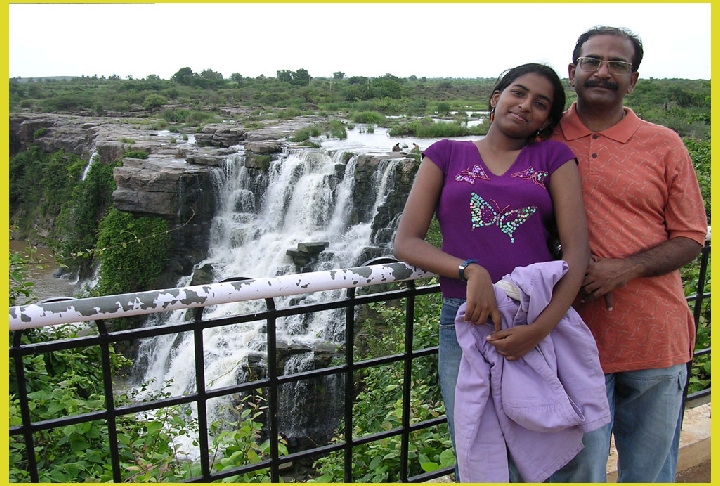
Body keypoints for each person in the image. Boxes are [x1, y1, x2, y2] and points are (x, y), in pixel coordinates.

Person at [393, 63, 590, 481]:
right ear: (495, 97)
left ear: (547, 121)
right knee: (475, 445)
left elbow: (577, 252)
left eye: (541, 104)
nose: (525, 106)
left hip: (534, 318)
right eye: (518, 93)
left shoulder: (553, 157)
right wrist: (470, 271)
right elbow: (407, 242)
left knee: (539, 448)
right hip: (463, 318)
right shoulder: (446, 153)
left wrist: (538, 330)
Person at [549, 26, 708, 482]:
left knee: (652, 472)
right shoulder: (541, 140)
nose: (603, 72)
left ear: (633, 80)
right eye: (593, 61)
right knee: (578, 471)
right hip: (570, 340)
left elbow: (691, 236)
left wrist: (626, 268)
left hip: (656, 339)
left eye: (617, 64)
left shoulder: (664, 144)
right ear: (572, 71)